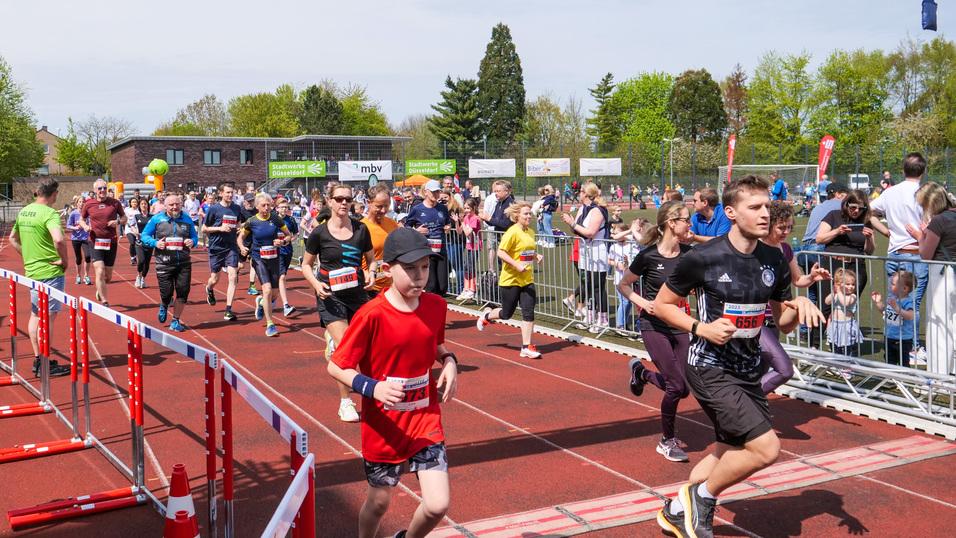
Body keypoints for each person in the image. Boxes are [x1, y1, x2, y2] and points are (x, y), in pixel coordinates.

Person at [652, 175, 824, 537]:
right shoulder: (703, 257)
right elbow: (662, 305)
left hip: (747, 370)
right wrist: (701, 328)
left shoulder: (774, 258)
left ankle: (676, 509)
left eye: (767, 207)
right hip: (709, 366)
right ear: (731, 212)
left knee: (726, 450)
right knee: (766, 448)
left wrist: (799, 304)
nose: (765, 214)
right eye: (755, 207)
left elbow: (783, 323)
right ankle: (701, 498)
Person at [327, 227, 457, 538]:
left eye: (425, 267)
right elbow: (336, 365)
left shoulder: (436, 306)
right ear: (387, 269)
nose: (419, 276)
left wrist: (449, 360)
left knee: (437, 505)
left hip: (424, 419)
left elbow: (435, 343)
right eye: (410, 269)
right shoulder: (371, 315)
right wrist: (373, 388)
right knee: (379, 503)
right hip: (383, 425)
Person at [619, 201, 693, 462]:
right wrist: (644, 303)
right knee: (675, 386)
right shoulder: (648, 256)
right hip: (653, 325)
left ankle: (641, 373)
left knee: (684, 388)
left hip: (680, 323)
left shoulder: (689, 254)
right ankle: (666, 441)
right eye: (686, 219)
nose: (690, 223)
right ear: (672, 223)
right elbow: (624, 284)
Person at [301, 184, 374, 422]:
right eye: (339, 199)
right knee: (346, 349)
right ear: (330, 202)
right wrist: (316, 284)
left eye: (348, 199)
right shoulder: (319, 233)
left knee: (367, 346)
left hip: (357, 295)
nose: (344, 203)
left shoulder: (361, 229)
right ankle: (346, 402)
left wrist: (372, 273)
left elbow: (371, 260)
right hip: (330, 296)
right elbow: (305, 265)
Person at [759, 201, 830, 393]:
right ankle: (746, 403)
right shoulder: (754, 247)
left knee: (763, 370)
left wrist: (812, 277)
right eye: (781, 227)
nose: (786, 232)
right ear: (769, 224)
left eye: (789, 227)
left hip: (775, 317)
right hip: (754, 317)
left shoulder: (786, 249)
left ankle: (749, 403)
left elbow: (798, 279)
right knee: (778, 368)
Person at [10, 177, 72, 377]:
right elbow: (59, 240)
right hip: (50, 271)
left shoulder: (24, 211)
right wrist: (64, 261)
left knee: (36, 315)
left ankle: (39, 359)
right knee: (48, 318)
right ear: (54, 193)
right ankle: (44, 362)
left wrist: (27, 256)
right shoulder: (49, 213)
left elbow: (12, 238)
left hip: (32, 271)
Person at [476, 201, 544, 358]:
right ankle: (486, 316)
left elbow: (526, 251)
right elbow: (501, 252)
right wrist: (516, 265)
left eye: (530, 214)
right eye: (526, 214)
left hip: (527, 279)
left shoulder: (530, 232)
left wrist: (536, 256)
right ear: (517, 216)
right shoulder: (512, 232)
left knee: (528, 312)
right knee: (506, 314)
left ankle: (526, 347)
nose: (529, 216)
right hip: (510, 280)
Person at [870, 153, 929, 310]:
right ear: (923, 171)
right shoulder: (925, 193)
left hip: (894, 254)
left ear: (903, 170)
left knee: (894, 306)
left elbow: (868, 212)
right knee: (911, 308)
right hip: (915, 254)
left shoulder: (890, 192)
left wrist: (885, 231)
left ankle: (893, 328)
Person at [815, 190, 875, 337]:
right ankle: (815, 341)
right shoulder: (834, 215)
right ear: (846, 204)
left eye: (861, 208)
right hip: (833, 263)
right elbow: (819, 239)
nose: (856, 211)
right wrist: (837, 231)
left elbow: (870, 251)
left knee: (848, 305)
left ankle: (842, 339)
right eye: (853, 207)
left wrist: (868, 238)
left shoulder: (866, 222)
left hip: (855, 267)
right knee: (825, 304)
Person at [912, 182, 956, 374]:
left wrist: (920, 235)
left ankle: (938, 374)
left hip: (942, 274)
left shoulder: (938, 221)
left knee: (939, 324)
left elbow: (926, 254)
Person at [140, 193, 198, 332]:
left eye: (177, 204)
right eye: (171, 205)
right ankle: (164, 304)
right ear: (165, 206)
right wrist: (155, 243)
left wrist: (192, 242)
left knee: (183, 293)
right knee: (167, 294)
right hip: (164, 263)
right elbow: (144, 235)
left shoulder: (187, 219)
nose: (174, 207)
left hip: (183, 262)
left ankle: (175, 320)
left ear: (181, 205)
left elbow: (194, 237)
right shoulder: (157, 219)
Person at [238, 193, 293, 337]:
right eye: (263, 205)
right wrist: (242, 247)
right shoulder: (252, 221)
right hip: (258, 258)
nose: (267, 207)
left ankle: (262, 302)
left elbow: (289, 235)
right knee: (267, 290)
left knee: (274, 293)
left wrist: (283, 241)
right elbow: (240, 238)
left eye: (269, 205)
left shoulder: (275, 219)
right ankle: (270, 324)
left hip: (274, 257)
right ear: (257, 206)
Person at [562, 182, 610, 333]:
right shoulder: (582, 208)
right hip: (585, 251)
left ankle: (603, 320)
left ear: (587, 194)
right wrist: (571, 223)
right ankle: (589, 317)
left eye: (581, 191)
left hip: (597, 251)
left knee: (597, 287)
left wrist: (573, 223)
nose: (578, 193)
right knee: (587, 285)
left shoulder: (598, 210)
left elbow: (590, 233)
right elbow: (576, 229)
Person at [79, 178, 127, 307]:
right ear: (95, 190)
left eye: (104, 188)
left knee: (108, 276)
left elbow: (124, 218)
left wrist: (117, 222)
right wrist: (85, 226)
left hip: (111, 241)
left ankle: (100, 289)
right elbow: (81, 219)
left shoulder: (115, 203)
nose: (102, 190)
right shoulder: (89, 204)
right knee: (99, 270)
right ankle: (105, 301)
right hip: (95, 241)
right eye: (99, 188)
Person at [202, 182, 243, 320]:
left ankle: (228, 309)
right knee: (214, 279)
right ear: (221, 193)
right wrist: (220, 228)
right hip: (216, 247)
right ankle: (209, 288)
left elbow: (238, 223)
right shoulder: (214, 209)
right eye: (227, 192)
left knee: (233, 276)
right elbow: (204, 228)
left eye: (232, 192)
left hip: (231, 247)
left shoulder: (236, 208)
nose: (230, 195)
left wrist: (239, 228)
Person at [406, 181, 450, 296]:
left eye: (438, 192)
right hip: (425, 252)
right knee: (431, 286)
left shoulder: (443, 208)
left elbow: (447, 223)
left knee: (443, 286)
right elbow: (406, 226)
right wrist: (417, 231)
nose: (436, 194)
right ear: (426, 192)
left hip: (441, 250)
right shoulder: (417, 209)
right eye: (433, 192)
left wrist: (448, 227)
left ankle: (438, 304)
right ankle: (429, 306)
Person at [871, 271, 917, 367]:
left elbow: (910, 315)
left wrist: (897, 308)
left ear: (904, 288)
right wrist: (878, 302)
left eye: (893, 284)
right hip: (889, 337)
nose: (890, 285)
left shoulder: (908, 302)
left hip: (902, 339)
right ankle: (891, 375)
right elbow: (885, 312)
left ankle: (903, 376)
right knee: (889, 361)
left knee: (903, 363)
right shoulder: (892, 298)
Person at [361, 185, 399, 300]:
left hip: (391, 287)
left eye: (386, 206)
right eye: (379, 206)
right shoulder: (361, 228)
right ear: (369, 203)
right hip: (369, 288)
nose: (383, 210)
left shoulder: (392, 224)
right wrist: (366, 274)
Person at [607, 222, 640, 336]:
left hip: (632, 279)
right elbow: (609, 260)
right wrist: (617, 264)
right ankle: (620, 325)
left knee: (629, 302)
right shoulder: (614, 246)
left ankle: (625, 324)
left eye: (617, 232)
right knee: (624, 301)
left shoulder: (632, 244)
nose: (615, 235)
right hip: (620, 279)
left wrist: (628, 265)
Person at [825, 268, 864, 357]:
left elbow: (845, 303)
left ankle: (849, 364)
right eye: (847, 284)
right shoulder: (837, 295)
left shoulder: (852, 296)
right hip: (835, 324)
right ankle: (837, 362)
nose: (851, 287)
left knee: (848, 348)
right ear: (840, 284)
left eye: (853, 284)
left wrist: (838, 291)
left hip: (847, 325)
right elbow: (827, 301)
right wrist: (833, 292)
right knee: (835, 347)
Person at [479, 180, 515, 271]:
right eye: (495, 191)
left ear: (506, 192)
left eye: (498, 191)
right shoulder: (499, 203)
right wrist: (484, 218)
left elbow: (506, 224)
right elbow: (494, 221)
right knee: (501, 265)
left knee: (508, 266)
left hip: (508, 240)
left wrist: (489, 219)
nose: (496, 193)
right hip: (500, 239)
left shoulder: (511, 204)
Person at [275, 199, 300, 316]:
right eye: (282, 207)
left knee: (280, 278)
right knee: (282, 277)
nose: (284, 209)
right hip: (276, 251)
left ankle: (267, 300)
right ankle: (286, 305)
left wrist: (289, 240)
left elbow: (295, 234)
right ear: (277, 208)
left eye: (286, 207)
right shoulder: (273, 219)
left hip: (288, 251)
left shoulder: (291, 220)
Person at [456, 197, 482, 301]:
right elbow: (459, 232)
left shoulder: (475, 218)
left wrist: (462, 222)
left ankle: (472, 289)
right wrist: (457, 222)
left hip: (475, 246)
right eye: (465, 208)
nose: (466, 210)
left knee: (471, 267)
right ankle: (466, 289)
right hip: (468, 246)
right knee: (466, 267)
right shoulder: (466, 217)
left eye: (468, 208)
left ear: (473, 208)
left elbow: (467, 233)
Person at [65, 196, 91, 285]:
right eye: (80, 202)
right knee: (78, 258)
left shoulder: (87, 213)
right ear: (77, 203)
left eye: (83, 201)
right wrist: (75, 228)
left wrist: (89, 227)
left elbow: (90, 223)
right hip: (75, 238)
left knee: (88, 256)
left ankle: (86, 276)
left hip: (85, 238)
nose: (81, 203)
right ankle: (78, 276)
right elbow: (68, 225)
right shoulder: (73, 213)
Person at [238, 192, 260, 296]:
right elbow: (238, 226)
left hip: (254, 240)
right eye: (249, 201)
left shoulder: (257, 211)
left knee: (253, 263)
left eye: (252, 201)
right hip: (243, 241)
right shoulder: (240, 211)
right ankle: (235, 271)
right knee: (241, 265)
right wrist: (248, 222)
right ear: (244, 202)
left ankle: (252, 286)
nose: (251, 203)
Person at [132, 198, 153, 289]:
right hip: (139, 241)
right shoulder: (136, 216)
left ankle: (143, 278)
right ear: (139, 206)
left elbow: (156, 227)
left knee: (147, 263)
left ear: (148, 205)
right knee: (141, 260)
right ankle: (139, 276)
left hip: (149, 242)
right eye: (142, 204)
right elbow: (132, 225)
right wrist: (135, 232)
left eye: (145, 204)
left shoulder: (152, 217)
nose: (144, 205)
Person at [124, 196, 140, 265]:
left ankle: (136, 256)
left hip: (137, 230)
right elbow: (124, 218)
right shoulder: (127, 210)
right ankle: (132, 258)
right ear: (130, 203)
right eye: (133, 202)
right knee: (132, 242)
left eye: (135, 202)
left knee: (137, 244)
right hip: (129, 230)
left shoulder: (139, 211)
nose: (134, 203)